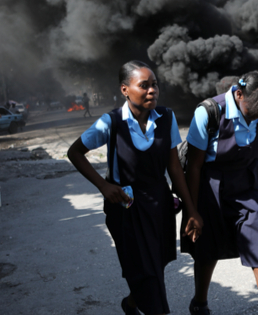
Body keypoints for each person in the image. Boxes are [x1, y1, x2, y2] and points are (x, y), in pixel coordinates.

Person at [67, 60, 203, 315]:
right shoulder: (111, 123)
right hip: (126, 208)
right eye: (144, 85)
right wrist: (103, 186)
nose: (152, 90)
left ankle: (131, 303)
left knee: (154, 266)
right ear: (125, 89)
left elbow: (174, 168)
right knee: (147, 273)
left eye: (155, 85)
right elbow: (74, 152)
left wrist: (191, 209)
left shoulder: (166, 118)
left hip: (159, 204)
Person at [183, 71, 258, 315]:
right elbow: (194, 165)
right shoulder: (209, 112)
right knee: (208, 250)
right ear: (238, 94)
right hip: (212, 186)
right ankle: (199, 302)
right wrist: (192, 210)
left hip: (250, 185)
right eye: (255, 111)